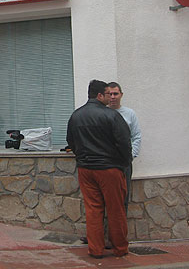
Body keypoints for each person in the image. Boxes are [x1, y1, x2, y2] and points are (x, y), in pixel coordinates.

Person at [67, 79, 131, 259]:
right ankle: (120, 248)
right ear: (99, 95)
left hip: (85, 168)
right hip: (110, 168)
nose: (110, 98)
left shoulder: (76, 115)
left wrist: (81, 157)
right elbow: (124, 142)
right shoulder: (111, 115)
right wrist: (124, 163)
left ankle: (95, 250)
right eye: (106, 94)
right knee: (115, 209)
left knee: (93, 209)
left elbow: (70, 141)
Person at [107, 82, 141, 212]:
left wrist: (130, 157)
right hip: (107, 164)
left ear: (121, 95)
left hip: (124, 163)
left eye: (115, 93)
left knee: (123, 197)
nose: (113, 97)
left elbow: (136, 136)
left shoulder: (129, 113)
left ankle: (121, 230)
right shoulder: (102, 113)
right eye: (110, 94)